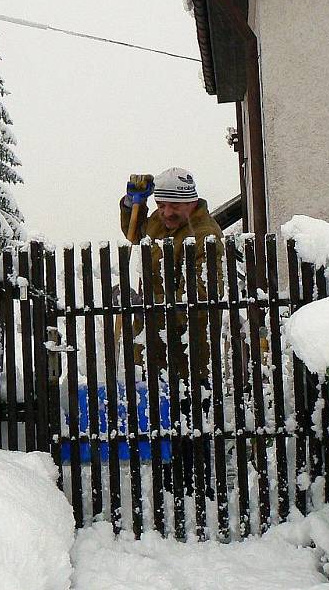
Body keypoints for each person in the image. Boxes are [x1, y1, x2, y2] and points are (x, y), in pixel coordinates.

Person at [120, 167, 223, 496]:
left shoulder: (204, 236)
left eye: (174, 205)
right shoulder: (162, 223)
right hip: (156, 346)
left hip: (189, 349)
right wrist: (130, 202)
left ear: (191, 203)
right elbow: (134, 233)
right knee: (163, 422)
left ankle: (196, 493)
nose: (166, 212)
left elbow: (203, 296)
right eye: (161, 204)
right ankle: (171, 490)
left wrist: (150, 304)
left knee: (190, 424)